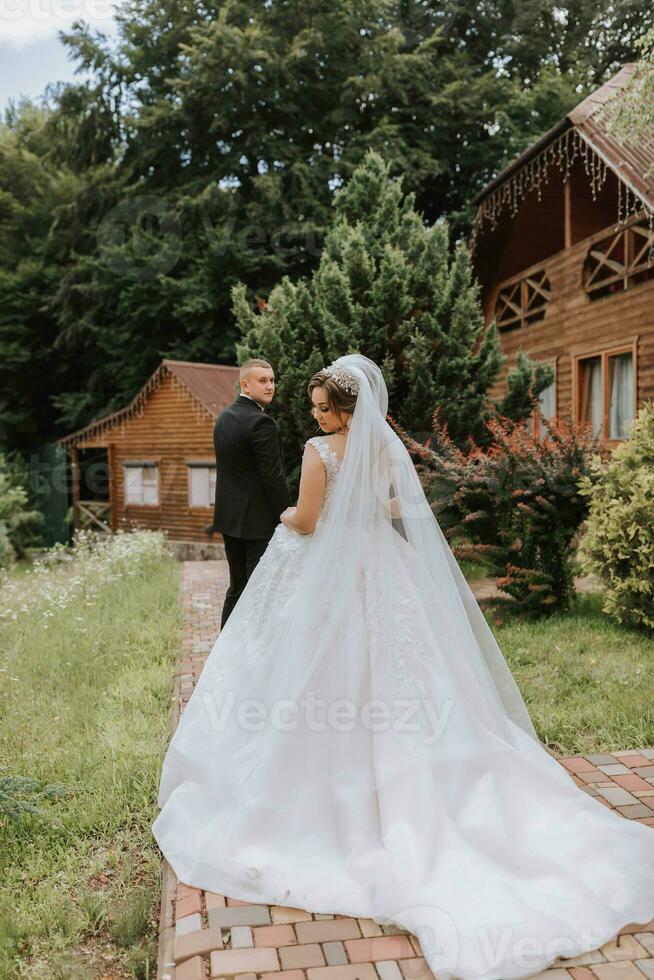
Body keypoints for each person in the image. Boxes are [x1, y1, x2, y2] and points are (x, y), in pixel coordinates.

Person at [153, 354, 654, 980]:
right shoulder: (386, 449)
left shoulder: (318, 451)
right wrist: (361, 515)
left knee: (314, 678)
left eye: (319, 408)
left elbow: (307, 521)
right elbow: (395, 508)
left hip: (332, 576)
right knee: (410, 674)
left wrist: (285, 518)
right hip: (384, 569)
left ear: (341, 410)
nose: (312, 415)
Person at [211, 358, 291, 627]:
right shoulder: (261, 423)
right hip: (258, 524)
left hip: (228, 519)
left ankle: (224, 651)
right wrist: (287, 514)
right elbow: (273, 477)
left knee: (237, 588)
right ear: (244, 383)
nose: (270, 386)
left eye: (272, 380)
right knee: (260, 592)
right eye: (262, 381)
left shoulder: (223, 417)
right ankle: (249, 658)